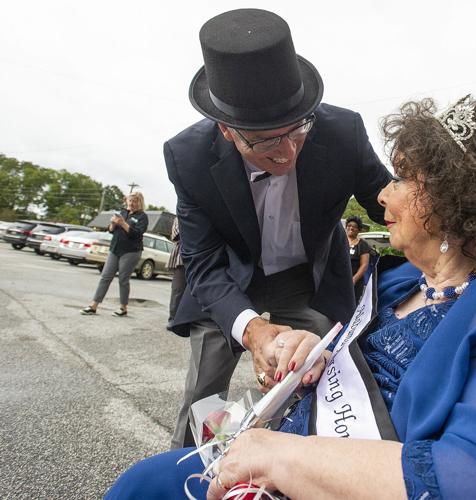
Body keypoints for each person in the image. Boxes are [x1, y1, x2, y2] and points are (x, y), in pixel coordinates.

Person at [107, 96, 476, 499]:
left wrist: (279, 456)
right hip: (284, 454)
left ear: (454, 197)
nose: (380, 193)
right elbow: (359, 360)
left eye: (402, 178)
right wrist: (314, 352)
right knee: (147, 480)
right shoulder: (403, 281)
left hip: (337, 478)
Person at [164, 9, 392, 449]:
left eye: (298, 130)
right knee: (205, 393)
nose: (288, 152)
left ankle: (294, 467)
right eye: (266, 140)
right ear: (227, 130)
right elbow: (203, 263)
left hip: (305, 281)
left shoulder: (344, 132)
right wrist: (252, 331)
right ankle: (192, 470)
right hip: (229, 280)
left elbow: (388, 205)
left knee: (319, 379)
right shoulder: (186, 157)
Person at [80, 192, 148, 317]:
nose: (132, 203)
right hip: (115, 249)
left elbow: (137, 234)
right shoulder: (122, 213)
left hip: (131, 251)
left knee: (123, 279)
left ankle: (123, 308)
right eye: (130, 200)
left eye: (135, 201)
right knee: (105, 277)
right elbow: (111, 230)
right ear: (127, 201)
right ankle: (93, 305)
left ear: (140, 202)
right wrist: (112, 223)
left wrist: (123, 223)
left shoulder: (142, 217)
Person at [345, 215, 372, 301]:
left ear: (359, 230)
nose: (351, 228)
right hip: (339, 279)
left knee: (351, 305)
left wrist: (354, 279)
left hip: (355, 282)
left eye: (355, 226)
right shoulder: (340, 241)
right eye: (349, 226)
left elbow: (364, 265)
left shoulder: (363, 244)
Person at [167, 216, 185, 327]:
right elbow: (176, 235)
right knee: (178, 289)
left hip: (203, 256)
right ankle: (173, 319)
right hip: (182, 258)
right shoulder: (179, 216)